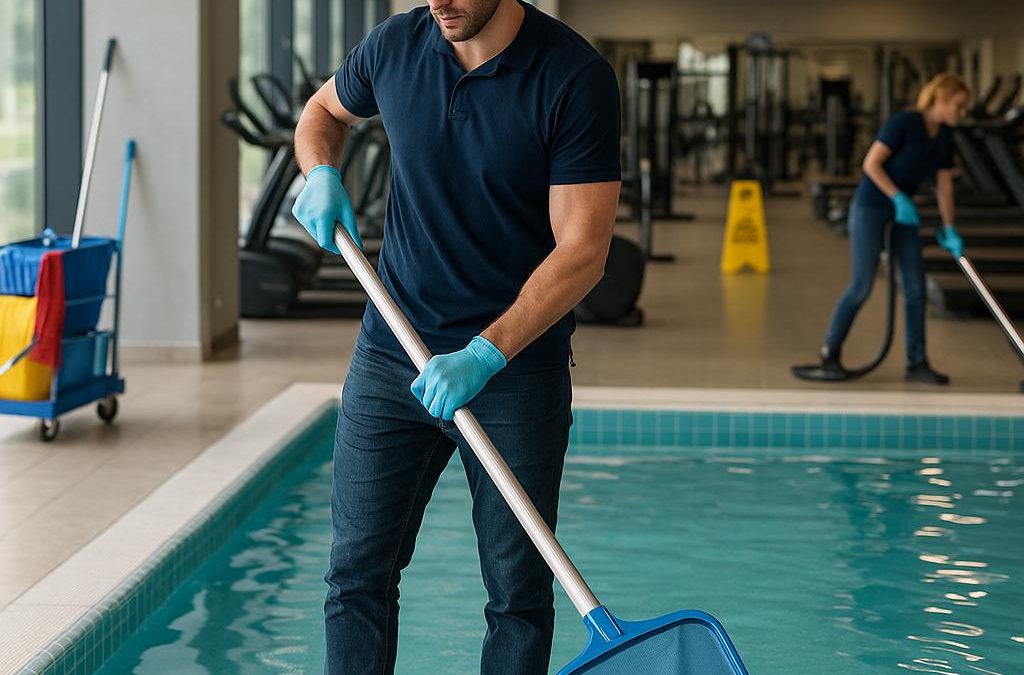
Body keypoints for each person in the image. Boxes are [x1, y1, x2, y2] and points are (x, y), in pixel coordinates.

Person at [289, 1, 621, 673]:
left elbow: (584, 250)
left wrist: (486, 352)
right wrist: (320, 170)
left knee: (517, 596)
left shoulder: (572, 76)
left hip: (512, 371)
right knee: (355, 576)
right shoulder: (393, 46)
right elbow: (322, 113)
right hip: (392, 354)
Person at [813, 73, 971, 384]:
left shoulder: (944, 136)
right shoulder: (904, 123)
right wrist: (897, 196)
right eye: (959, 105)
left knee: (915, 287)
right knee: (862, 285)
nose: (962, 112)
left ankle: (917, 362)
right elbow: (870, 164)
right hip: (872, 207)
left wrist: (950, 227)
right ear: (940, 100)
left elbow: (944, 185)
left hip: (903, 215)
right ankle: (829, 353)